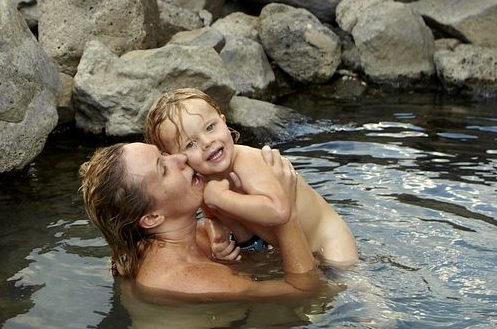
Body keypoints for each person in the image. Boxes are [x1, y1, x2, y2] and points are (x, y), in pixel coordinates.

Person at [79, 141, 327, 302]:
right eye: (164, 169)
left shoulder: (191, 236)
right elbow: (306, 292)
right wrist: (286, 211)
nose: (180, 158)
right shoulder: (190, 280)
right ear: (152, 218)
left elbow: (255, 260)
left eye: (163, 154)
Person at [143, 88, 358, 267]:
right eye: (190, 144)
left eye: (210, 127)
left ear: (224, 121)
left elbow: (279, 210)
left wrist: (221, 198)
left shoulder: (247, 162)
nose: (207, 142)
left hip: (327, 239)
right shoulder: (202, 182)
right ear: (176, 159)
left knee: (352, 287)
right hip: (292, 247)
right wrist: (217, 234)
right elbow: (212, 215)